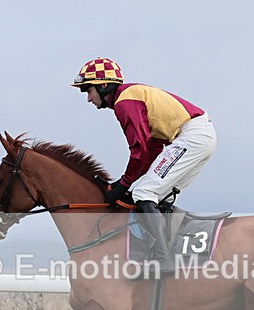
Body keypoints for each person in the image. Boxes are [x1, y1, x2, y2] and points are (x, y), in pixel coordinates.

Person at [71, 57, 217, 278]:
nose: (88, 98)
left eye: (87, 90)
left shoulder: (124, 103)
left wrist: (124, 183)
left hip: (191, 136)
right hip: (199, 136)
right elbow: (152, 150)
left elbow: (139, 150)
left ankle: (163, 258)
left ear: (103, 86)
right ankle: (167, 253)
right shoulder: (130, 97)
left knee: (144, 192)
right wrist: (127, 182)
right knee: (159, 197)